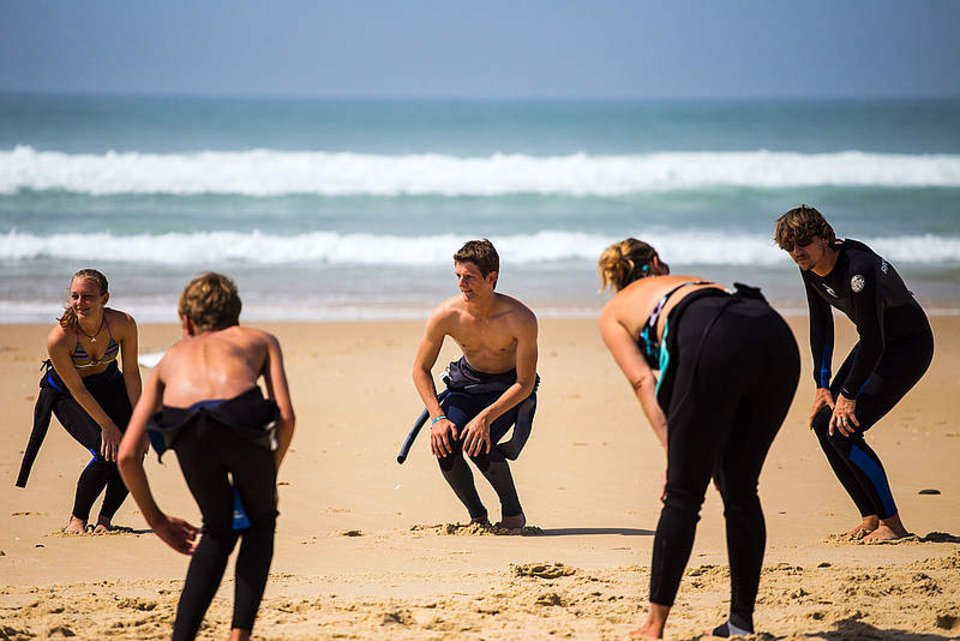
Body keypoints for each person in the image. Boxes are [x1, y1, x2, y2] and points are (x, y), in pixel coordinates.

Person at [597, 239, 799, 640]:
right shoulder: (687, 282)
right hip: (773, 332)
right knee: (740, 488)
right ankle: (741, 623)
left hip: (715, 337)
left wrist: (675, 455)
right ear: (655, 263)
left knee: (683, 494)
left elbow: (644, 380)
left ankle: (653, 627)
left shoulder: (615, 311)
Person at [117, 273, 295, 641]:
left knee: (217, 529)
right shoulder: (259, 339)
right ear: (236, 314)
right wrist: (268, 473)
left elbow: (127, 456)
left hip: (187, 430)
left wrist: (158, 521)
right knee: (260, 523)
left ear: (186, 320)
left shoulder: (171, 357)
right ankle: (238, 636)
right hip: (242, 421)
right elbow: (286, 416)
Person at [775, 205, 934, 542]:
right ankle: (871, 517)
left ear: (824, 237)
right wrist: (823, 387)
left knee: (844, 428)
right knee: (823, 423)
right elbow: (820, 324)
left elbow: (875, 341)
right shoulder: (810, 265)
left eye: (802, 243)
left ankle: (893, 525)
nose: (795, 252)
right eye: (789, 247)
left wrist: (847, 396)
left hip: (907, 347)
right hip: (876, 345)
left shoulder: (858, 271)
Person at [412, 239, 539, 529]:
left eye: (469, 277)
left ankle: (513, 515)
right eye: (457, 276)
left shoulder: (520, 318)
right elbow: (420, 369)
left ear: (491, 277)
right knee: (446, 441)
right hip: (466, 385)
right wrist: (438, 418)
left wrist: (484, 418)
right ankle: (477, 517)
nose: (461, 284)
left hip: (508, 389)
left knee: (478, 442)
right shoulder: (446, 315)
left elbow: (525, 382)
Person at [17, 269, 142, 534]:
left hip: (109, 385)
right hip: (67, 393)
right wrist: (107, 425)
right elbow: (78, 389)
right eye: (75, 296)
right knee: (105, 450)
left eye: (87, 296)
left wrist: (141, 422)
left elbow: (131, 373)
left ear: (104, 298)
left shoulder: (123, 324)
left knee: (133, 449)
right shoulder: (60, 337)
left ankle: (106, 520)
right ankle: (78, 519)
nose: (79, 302)